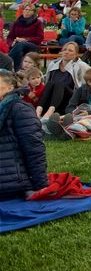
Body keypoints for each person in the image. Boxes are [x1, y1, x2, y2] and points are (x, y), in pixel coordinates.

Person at [0, 68, 48, 200]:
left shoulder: (20, 109)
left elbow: (34, 149)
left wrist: (40, 185)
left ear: (10, 88)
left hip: (10, 180)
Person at [37, 42, 91, 121]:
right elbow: (46, 82)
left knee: (60, 85)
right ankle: (38, 112)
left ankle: (48, 114)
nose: (66, 52)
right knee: (50, 83)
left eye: (70, 50)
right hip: (54, 99)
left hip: (71, 98)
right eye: (64, 49)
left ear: (76, 54)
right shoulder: (53, 64)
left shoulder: (81, 66)